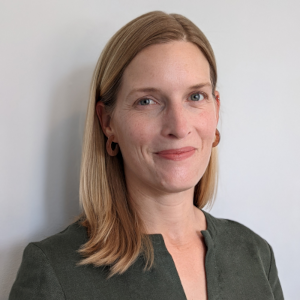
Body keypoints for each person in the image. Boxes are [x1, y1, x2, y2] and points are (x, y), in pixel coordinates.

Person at [9, 11, 284, 300]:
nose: (178, 127)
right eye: (147, 101)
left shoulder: (255, 254)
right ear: (108, 122)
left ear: (215, 109)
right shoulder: (54, 270)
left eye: (195, 97)